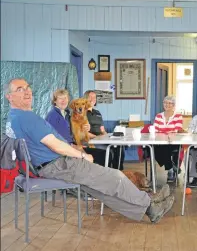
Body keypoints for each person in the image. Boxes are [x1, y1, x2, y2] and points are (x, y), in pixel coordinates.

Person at [5, 78, 174, 223]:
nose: (27, 92)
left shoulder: (16, 117)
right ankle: (150, 203)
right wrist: (82, 155)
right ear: (9, 96)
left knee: (101, 188)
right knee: (115, 176)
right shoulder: (26, 117)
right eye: (20, 90)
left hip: (50, 164)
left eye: (27, 88)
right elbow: (54, 145)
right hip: (57, 164)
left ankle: (149, 209)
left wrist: (74, 147)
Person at [45, 89, 109, 167]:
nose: (63, 101)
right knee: (101, 155)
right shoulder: (53, 115)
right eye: (60, 98)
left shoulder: (66, 114)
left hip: (72, 145)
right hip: (65, 149)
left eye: (65, 98)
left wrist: (86, 128)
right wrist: (76, 147)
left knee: (103, 154)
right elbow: (54, 138)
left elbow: (74, 131)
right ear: (55, 101)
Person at [83, 90, 125, 170]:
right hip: (91, 140)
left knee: (119, 148)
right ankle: (107, 173)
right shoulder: (82, 113)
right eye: (90, 97)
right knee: (107, 152)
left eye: (94, 97)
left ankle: (117, 171)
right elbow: (83, 132)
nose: (93, 99)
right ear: (85, 99)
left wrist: (107, 137)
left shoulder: (97, 112)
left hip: (101, 138)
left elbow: (102, 130)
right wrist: (97, 137)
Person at [153, 95, 183, 182]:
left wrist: (163, 131)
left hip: (173, 142)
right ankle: (172, 166)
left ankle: (170, 171)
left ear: (174, 105)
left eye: (170, 103)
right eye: (165, 103)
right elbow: (155, 130)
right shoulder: (158, 116)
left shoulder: (178, 116)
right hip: (160, 142)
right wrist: (168, 131)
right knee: (155, 151)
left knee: (166, 149)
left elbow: (177, 130)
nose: (167, 105)